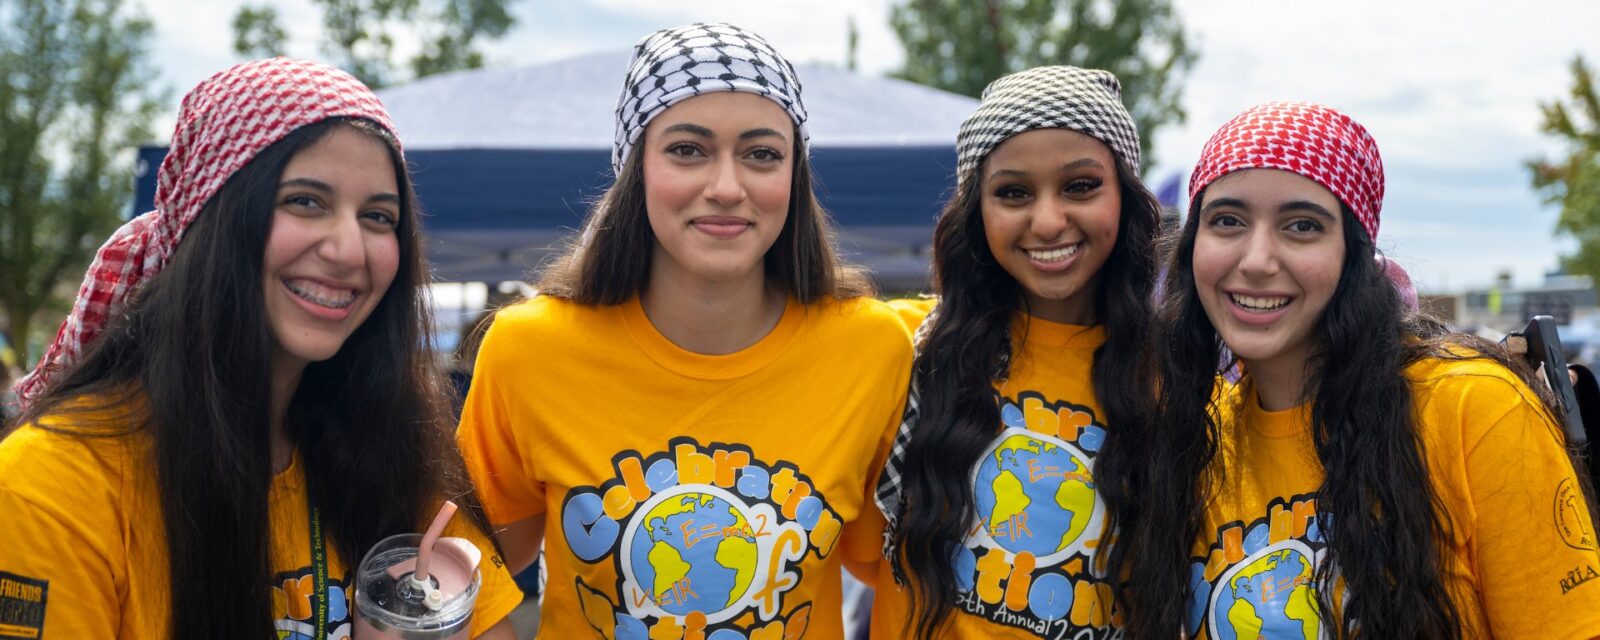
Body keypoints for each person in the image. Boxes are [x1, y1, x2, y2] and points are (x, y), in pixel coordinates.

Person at [0, 57, 519, 639]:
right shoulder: (53, 490)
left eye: (378, 216)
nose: (350, 249)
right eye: (305, 201)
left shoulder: (387, 451)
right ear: (211, 219)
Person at [454, 23, 913, 638]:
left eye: (762, 154)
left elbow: (892, 565)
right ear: (635, 168)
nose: (726, 187)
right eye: (688, 150)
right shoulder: (528, 349)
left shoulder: (872, 349)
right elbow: (468, 574)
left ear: (794, 176)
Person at [1108, 101, 1600, 639]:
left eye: (1302, 225)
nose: (1256, 259)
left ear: (1355, 255)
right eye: (1227, 221)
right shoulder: (1193, 440)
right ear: (1192, 246)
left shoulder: (1473, 408)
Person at [869, 66, 1162, 639]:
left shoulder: (1173, 382)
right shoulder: (901, 351)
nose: (1049, 221)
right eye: (1013, 193)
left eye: (1080, 186)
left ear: (1124, 198)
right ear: (976, 211)